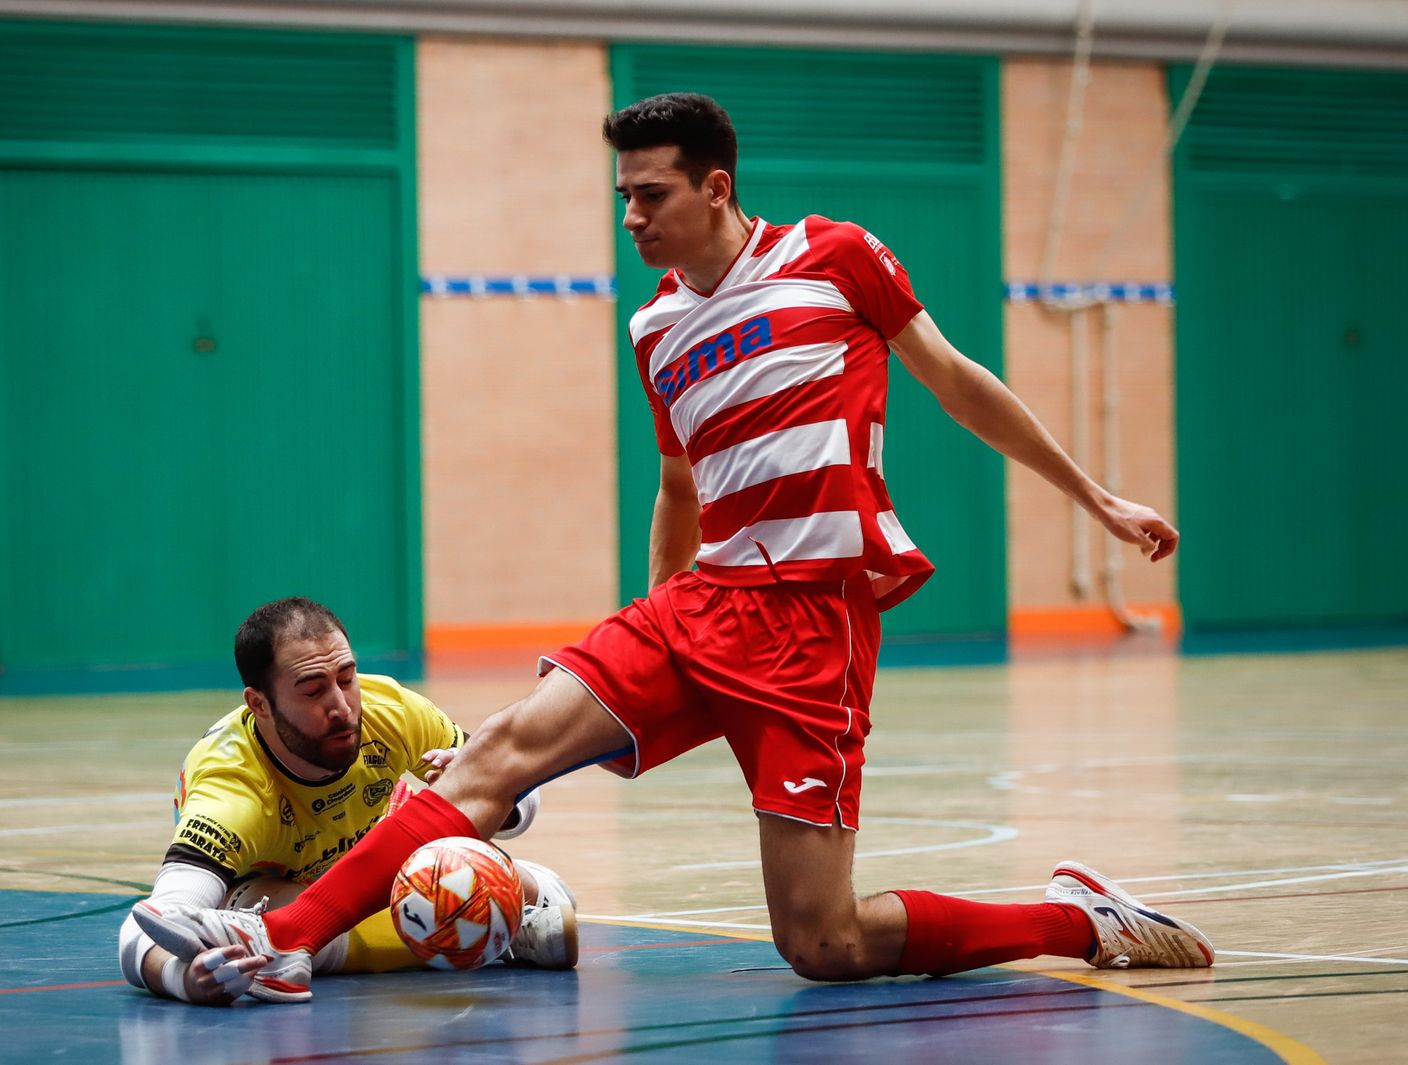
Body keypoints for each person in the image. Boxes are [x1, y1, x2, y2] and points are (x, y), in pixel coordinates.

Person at [136, 93, 1213, 1002]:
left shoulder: (833, 259)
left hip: (810, 628)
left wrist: (1096, 498)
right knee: (492, 752)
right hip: (701, 606)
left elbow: (954, 380)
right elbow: (680, 482)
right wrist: (646, 632)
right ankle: (283, 945)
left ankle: (1076, 920)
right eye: (622, 199)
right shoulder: (655, 327)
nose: (632, 217)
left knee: (822, 946)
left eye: (651, 195)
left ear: (715, 186)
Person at [122, 596, 577, 1005]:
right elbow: (147, 927)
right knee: (249, 910)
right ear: (258, 704)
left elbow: (523, 801)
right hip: (276, 894)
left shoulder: (391, 710)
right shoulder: (230, 788)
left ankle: (493, 926)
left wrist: (480, 785)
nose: (341, 706)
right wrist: (184, 978)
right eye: (313, 690)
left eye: (347, 677)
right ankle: (499, 934)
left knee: (545, 893)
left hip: (380, 865)